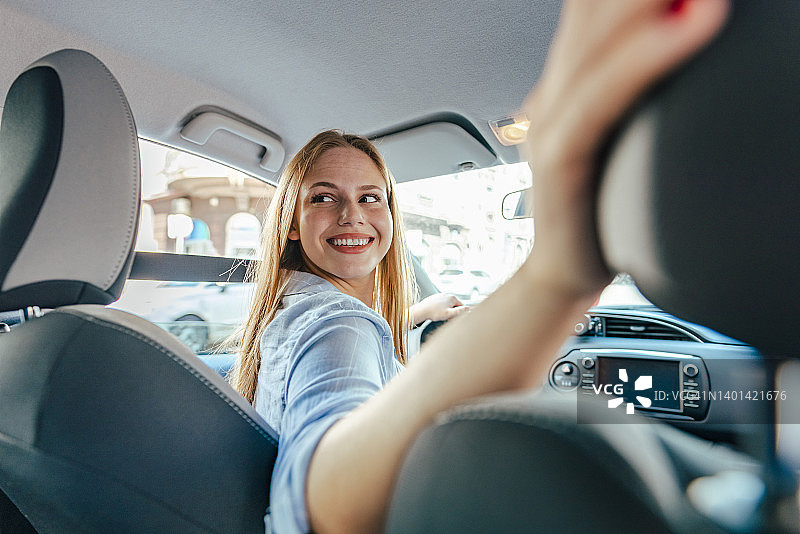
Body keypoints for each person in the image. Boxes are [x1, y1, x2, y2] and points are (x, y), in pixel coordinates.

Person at [230, 1, 731, 532]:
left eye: (372, 197)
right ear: (289, 222)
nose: (354, 215)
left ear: (392, 216)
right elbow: (321, 497)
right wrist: (559, 273)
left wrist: (410, 318)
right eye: (325, 198)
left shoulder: (297, 310)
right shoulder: (339, 324)